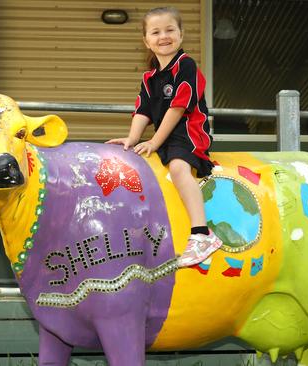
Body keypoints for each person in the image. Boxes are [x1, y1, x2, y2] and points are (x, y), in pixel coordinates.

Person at [106, 6, 222, 267]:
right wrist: (131, 139)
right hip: (166, 137)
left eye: (170, 30)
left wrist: (154, 141)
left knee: (180, 169)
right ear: (146, 41)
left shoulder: (186, 65)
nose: (164, 36)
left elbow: (178, 107)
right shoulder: (149, 78)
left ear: (181, 35)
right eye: (155, 32)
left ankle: (202, 234)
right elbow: (143, 110)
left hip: (188, 133)